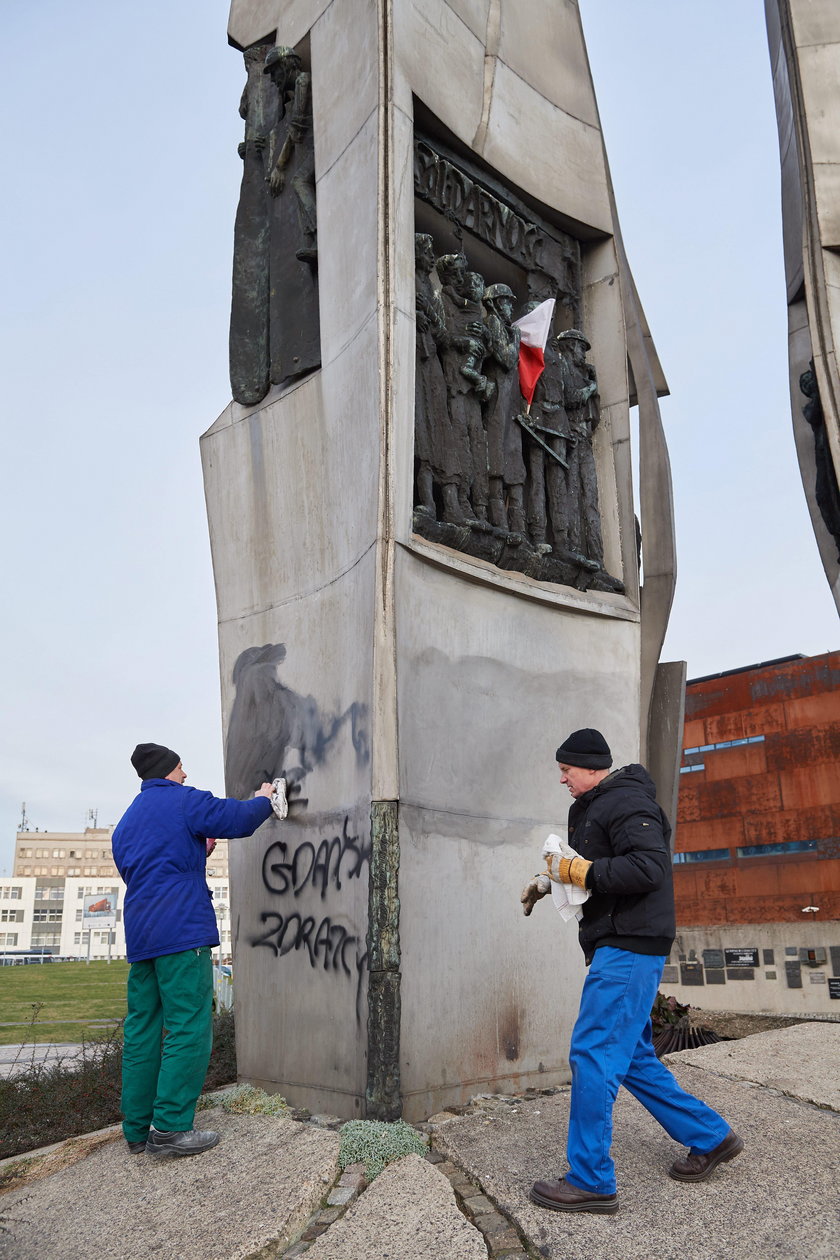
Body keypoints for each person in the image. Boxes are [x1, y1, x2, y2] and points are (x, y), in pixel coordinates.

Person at [521, 729, 743, 1214]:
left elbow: (648, 868)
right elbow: (599, 864)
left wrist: (580, 874)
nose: (561, 779)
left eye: (567, 770)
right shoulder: (601, 805)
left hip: (628, 946)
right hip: (622, 945)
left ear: (591, 766)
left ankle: (591, 1179)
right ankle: (710, 1136)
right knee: (634, 1057)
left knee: (593, 1053)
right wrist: (551, 877)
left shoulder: (625, 802)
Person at [112, 742, 275, 1159]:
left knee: (143, 1028)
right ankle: (168, 1128)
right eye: (182, 767)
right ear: (169, 771)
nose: (186, 774)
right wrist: (265, 799)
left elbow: (150, 867)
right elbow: (236, 819)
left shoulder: (126, 823)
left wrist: (195, 850)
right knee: (188, 1027)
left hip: (143, 937)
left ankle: (135, 1130)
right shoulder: (184, 800)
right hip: (182, 932)